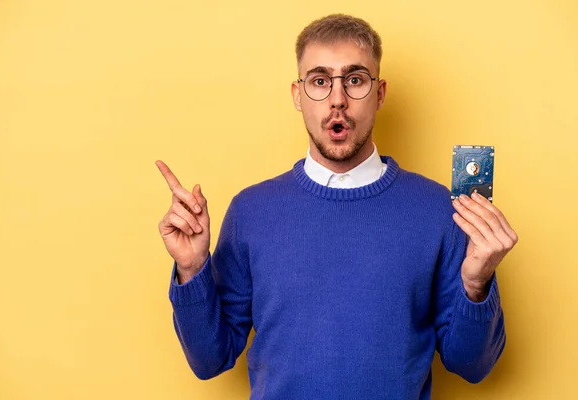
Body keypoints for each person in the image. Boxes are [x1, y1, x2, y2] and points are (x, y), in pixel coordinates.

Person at [155, 14, 518, 400]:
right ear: (298, 95)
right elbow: (210, 360)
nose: (338, 99)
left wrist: (477, 284)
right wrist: (192, 269)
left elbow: (472, 366)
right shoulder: (251, 211)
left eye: (356, 80)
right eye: (320, 81)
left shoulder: (437, 210)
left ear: (379, 94)